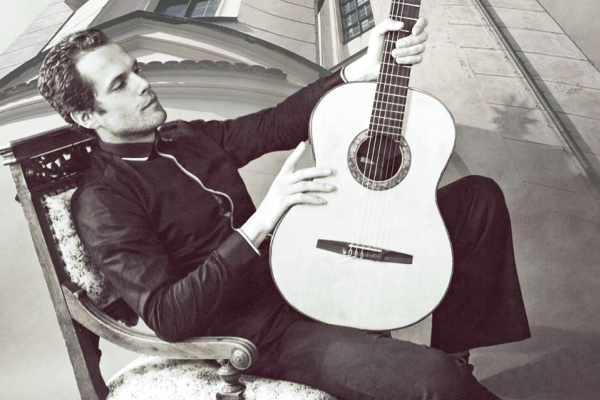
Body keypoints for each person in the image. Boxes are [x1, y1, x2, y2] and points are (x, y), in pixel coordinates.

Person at [38, 17, 530, 400]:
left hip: (300, 271)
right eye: (119, 84)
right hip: (258, 332)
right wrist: (262, 221)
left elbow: (275, 124)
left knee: (476, 199)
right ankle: (446, 380)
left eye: (136, 70)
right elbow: (169, 316)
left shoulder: (183, 137)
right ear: (86, 115)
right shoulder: (102, 201)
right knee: (434, 380)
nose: (143, 84)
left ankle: (454, 355)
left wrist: (359, 69)